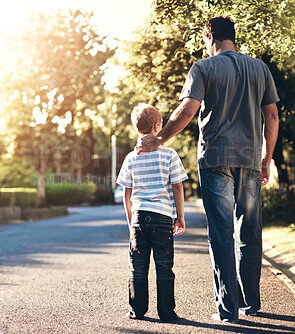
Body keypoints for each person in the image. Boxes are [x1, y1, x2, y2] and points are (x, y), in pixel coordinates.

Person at [136, 16, 280, 323]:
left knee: (221, 234)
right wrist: (266, 158)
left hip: (216, 159)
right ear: (233, 36)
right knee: (250, 232)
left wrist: (158, 139)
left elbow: (188, 109)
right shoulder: (260, 68)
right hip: (251, 159)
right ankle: (251, 304)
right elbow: (273, 117)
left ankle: (229, 311)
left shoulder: (204, 68)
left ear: (208, 36)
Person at [117, 103, 188, 322]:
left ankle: (137, 310)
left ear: (137, 130)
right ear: (158, 126)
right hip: (163, 217)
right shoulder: (169, 154)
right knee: (164, 265)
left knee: (138, 266)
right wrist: (180, 216)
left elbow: (126, 194)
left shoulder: (131, 158)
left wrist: (131, 221)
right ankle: (166, 312)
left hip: (139, 217)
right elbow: (177, 186)